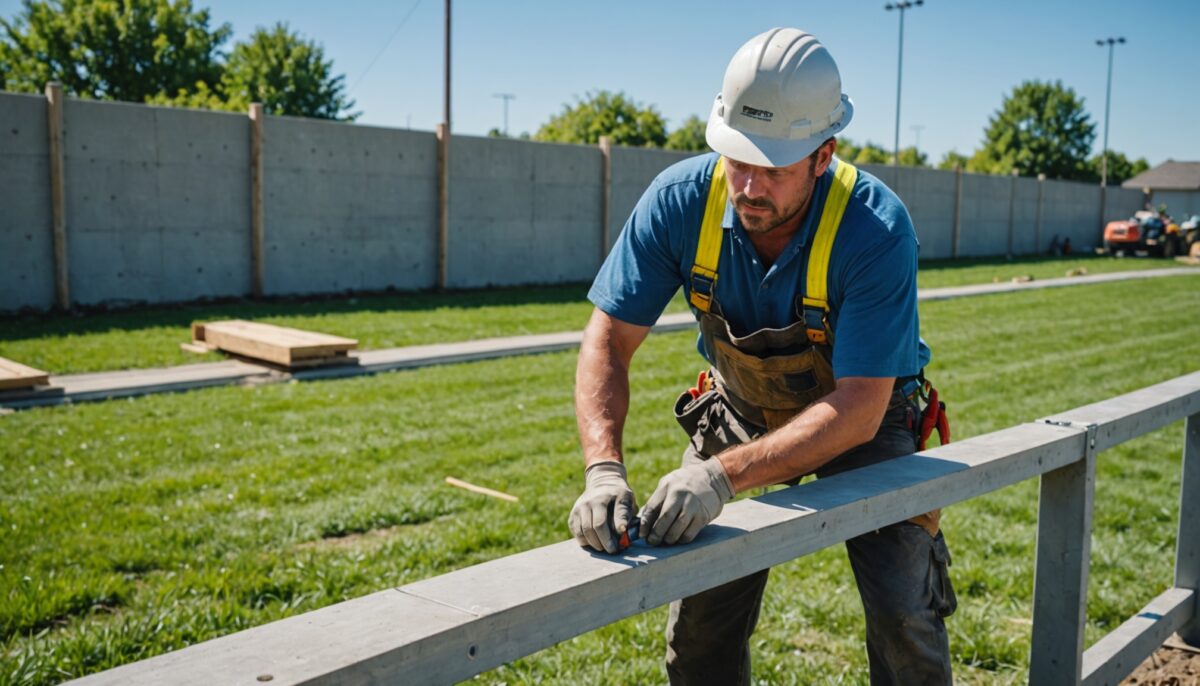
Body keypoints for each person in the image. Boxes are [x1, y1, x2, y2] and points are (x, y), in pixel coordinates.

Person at [567, 27, 956, 685]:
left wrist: (719, 478)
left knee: (904, 618)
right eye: (736, 159)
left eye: (772, 168)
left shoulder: (875, 228)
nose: (747, 186)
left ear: (823, 154)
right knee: (700, 627)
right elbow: (607, 340)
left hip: (868, 422)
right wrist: (603, 469)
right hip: (741, 411)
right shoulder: (680, 201)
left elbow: (861, 409)